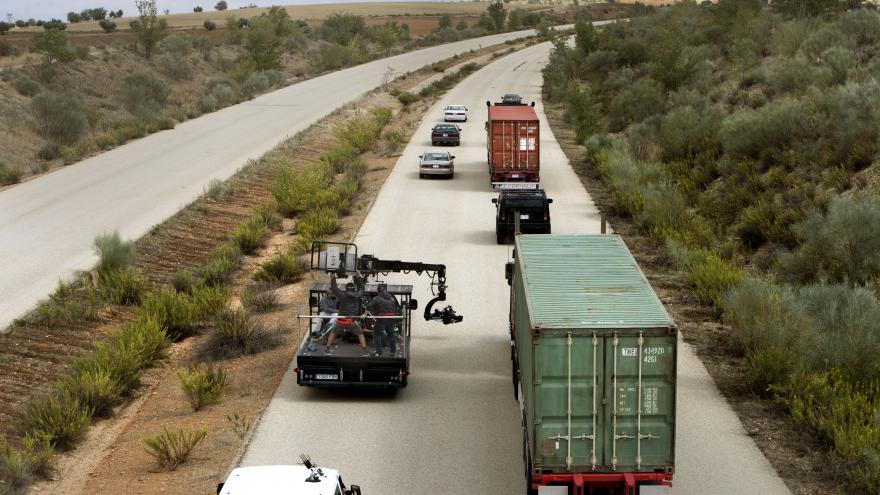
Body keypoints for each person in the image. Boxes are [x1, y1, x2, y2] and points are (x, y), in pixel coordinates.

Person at [325, 272, 369, 356]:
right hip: (352, 321)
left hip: (341, 321)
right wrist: (359, 276)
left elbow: (334, 288)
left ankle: (327, 350)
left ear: (346, 288)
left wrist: (333, 277)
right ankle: (365, 351)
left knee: (333, 333)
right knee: (360, 334)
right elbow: (362, 288)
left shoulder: (342, 294)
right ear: (354, 288)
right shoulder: (357, 295)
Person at [367, 282, 400, 357]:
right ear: (386, 290)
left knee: (376, 334)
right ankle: (393, 351)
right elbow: (396, 309)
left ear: (378, 291)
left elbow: (369, 306)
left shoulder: (377, 298)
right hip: (392, 318)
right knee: (391, 335)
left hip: (382, 319)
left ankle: (379, 352)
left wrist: (366, 313)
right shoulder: (392, 299)